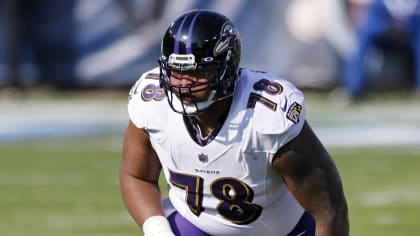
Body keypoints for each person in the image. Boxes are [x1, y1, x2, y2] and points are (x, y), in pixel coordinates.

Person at [119, 9, 349, 236]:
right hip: (197, 226)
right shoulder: (151, 102)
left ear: (226, 69)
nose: (183, 85)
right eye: (176, 72)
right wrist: (157, 229)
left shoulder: (267, 115)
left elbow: (329, 210)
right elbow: (137, 176)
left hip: (283, 230)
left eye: (197, 73)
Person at [343, 0, 420, 100]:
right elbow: (369, 27)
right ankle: (353, 88)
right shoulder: (379, 4)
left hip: (411, 30)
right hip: (383, 28)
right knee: (361, 40)